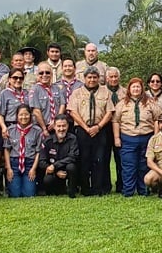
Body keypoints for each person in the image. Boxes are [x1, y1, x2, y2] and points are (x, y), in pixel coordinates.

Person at [67, 67, 115, 196]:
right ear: (85, 78)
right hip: (83, 130)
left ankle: (98, 188)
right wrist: (86, 128)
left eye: (94, 77)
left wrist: (98, 127)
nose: (92, 80)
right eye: (89, 77)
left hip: (100, 129)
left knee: (99, 159)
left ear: (98, 78)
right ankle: (85, 189)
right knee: (84, 160)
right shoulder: (77, 93)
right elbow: (73, 112)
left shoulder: (106, 92)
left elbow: (109, 112)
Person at [113, 78, 162, 197]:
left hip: (146, 138)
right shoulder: (121, 104)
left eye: (138, 87)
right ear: (129, 89)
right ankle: (128, 191)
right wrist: (116, 137)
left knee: (143, 166)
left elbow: (157, 119)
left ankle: (143, 190)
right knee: (128, 166)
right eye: (133, 87)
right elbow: (115, 121)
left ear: (142, 89)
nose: (136, 89)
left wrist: (155, 137)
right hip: (128, 138)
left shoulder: (150, 103)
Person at [3, 104, 43, 198]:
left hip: (29, 164)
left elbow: (38, 152)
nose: (24, 117)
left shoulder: (37, 131)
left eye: (26, 114)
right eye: (21, 115)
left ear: (30, 115)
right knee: (15, 195)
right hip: (14, 163)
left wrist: (33, 169)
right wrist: (8, 168)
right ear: (17, 116)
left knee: (29, 194)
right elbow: (7, 150)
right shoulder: (11, 130)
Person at [39, 114, 80, 197]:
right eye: (59, 126)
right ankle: (55, 191)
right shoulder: (47, 141)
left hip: (67, 170)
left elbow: (73, 157)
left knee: (71, 167)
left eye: (64, 126)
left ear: (68, 126)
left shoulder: (73, 139)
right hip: (54, 172)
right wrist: (55, 171)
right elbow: (41, 161)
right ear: (54, 126)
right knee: (47, 180)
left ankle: (72, 191)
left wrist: (55, 165)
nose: (61, 129)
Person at [104, 67, 126, 193]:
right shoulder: (102, 92)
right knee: (105, 157)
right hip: (105, 128)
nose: (113, 79)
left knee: (120, 158)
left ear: (119, 77)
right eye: (111, 77)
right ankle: (106, 185)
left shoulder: (125, 92)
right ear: (106, 78)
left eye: (115, 76)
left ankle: (121, 184)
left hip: (121, 128)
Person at [29, 62, 64, 135]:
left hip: (57, 126)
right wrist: (44, 128)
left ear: (51, 74)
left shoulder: (57, 88)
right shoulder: (35, 89)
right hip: (42, 128)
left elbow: (62, 105)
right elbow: (36, 111)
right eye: (41, 73)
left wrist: (56, 121)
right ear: (37, 75)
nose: (44, 75)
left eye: (47, 72)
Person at [0, 68, 31, 140]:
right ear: (9, 79)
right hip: (11, 126)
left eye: (21, 78)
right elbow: (0, 114)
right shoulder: (4, 93)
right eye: (15, 78)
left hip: (27, 127)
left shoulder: (27, 93)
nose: (18, 80)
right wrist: (3, 127)